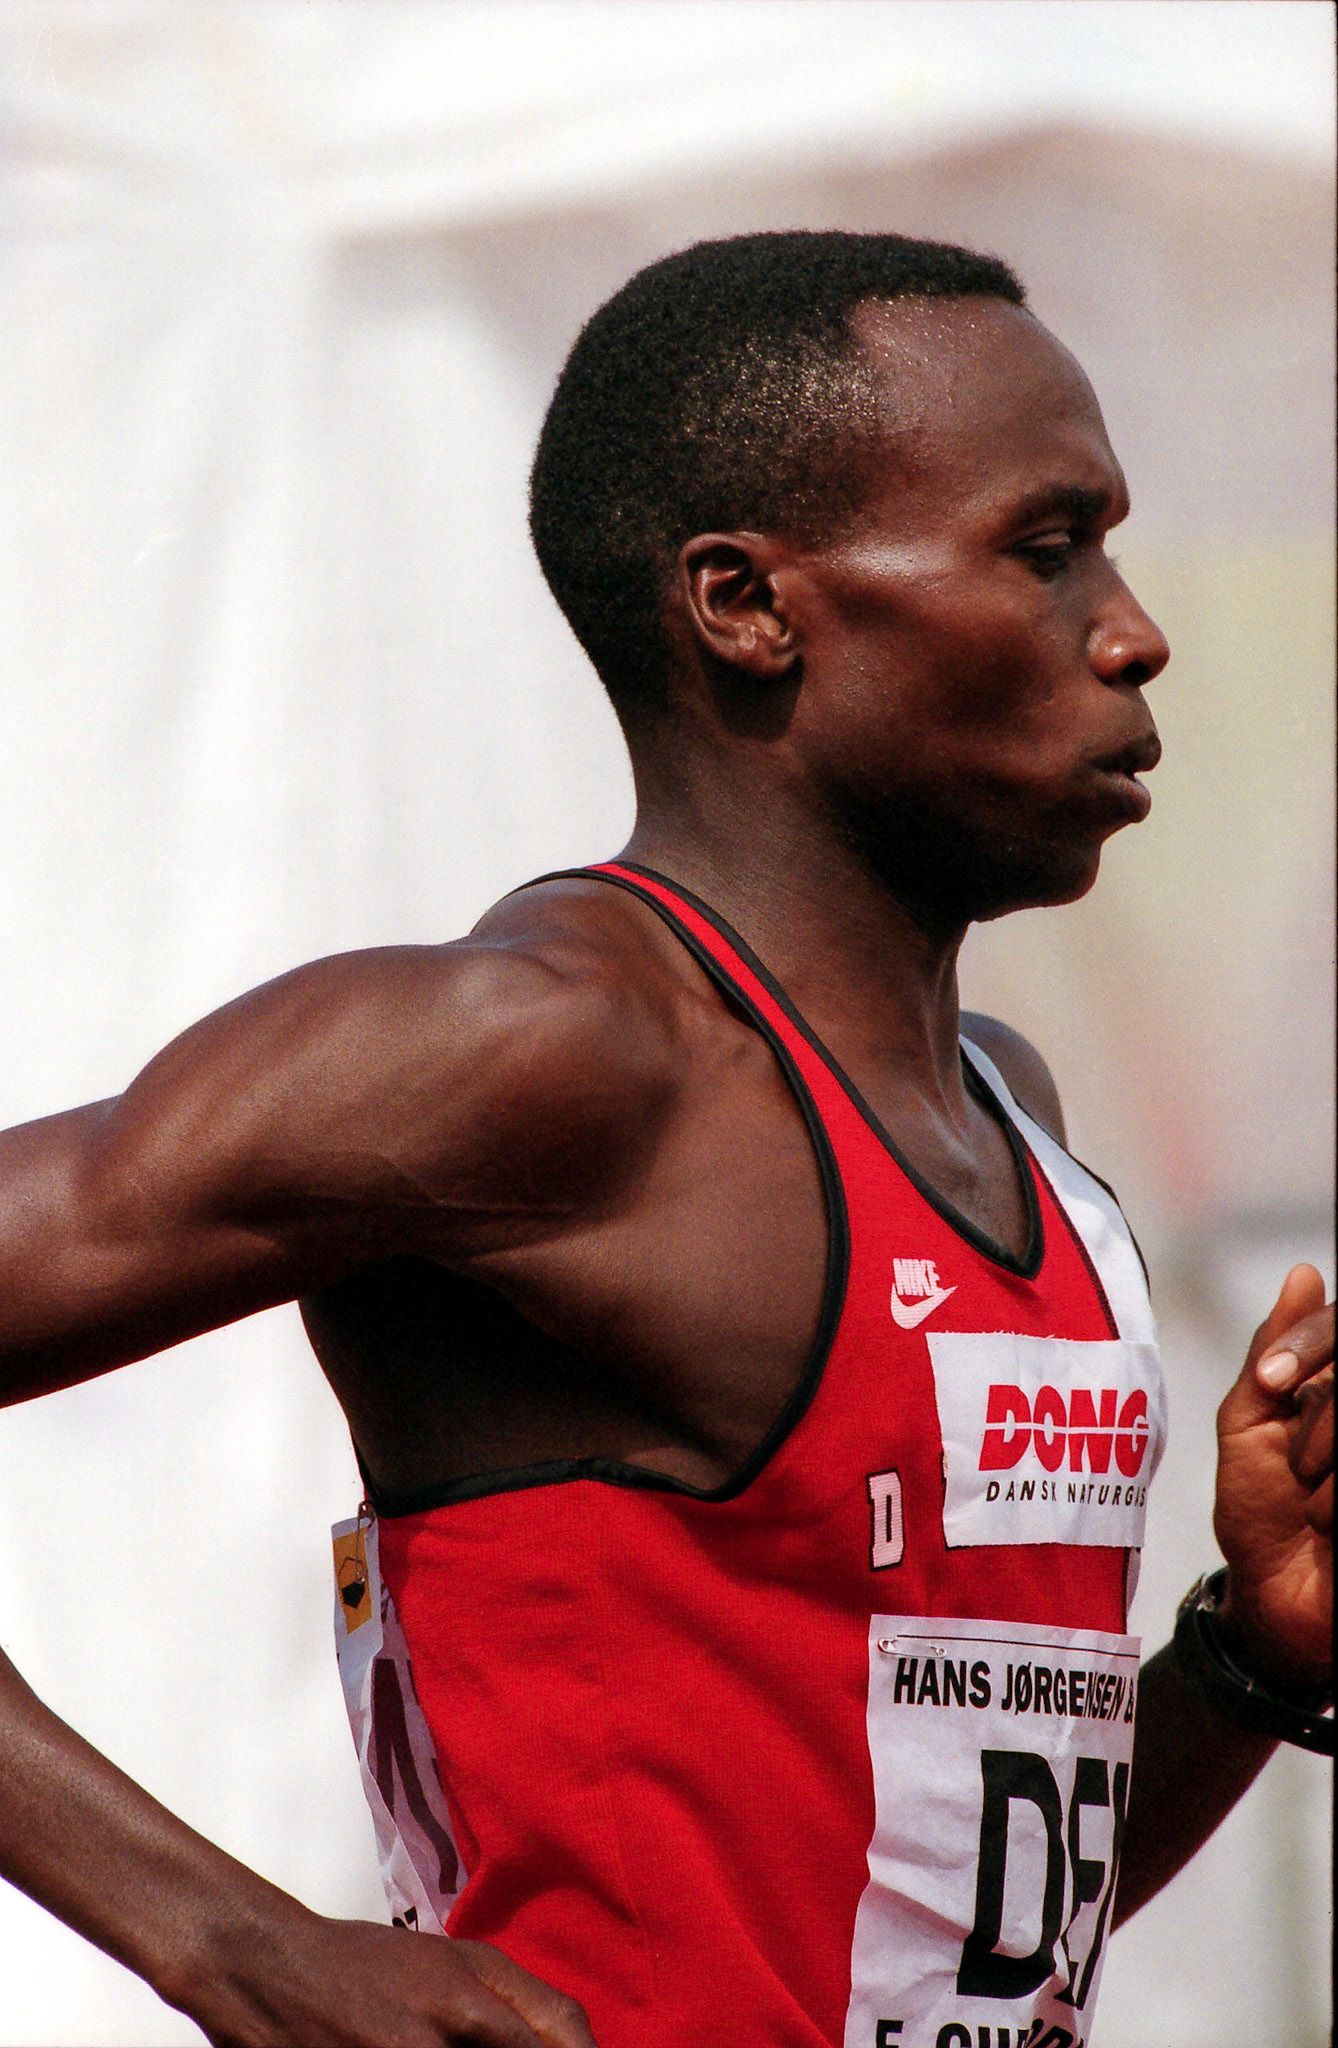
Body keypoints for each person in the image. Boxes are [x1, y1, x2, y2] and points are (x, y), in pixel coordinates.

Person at [0, 231, 1330, 2048]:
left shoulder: (1016, 1115)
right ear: (743, 604)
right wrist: (231, 1945)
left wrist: (1252, 1657)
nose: (1130, 624)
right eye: (1042, 547)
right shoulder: (538, 1054)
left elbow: (941, 1933)